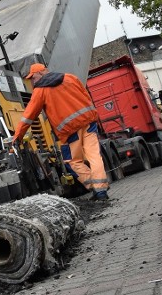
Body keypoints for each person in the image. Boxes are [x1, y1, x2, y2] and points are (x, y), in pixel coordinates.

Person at [13, 63, 109, 200]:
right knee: (94, 156)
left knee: (72, 162)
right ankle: (101, 190)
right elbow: (86, 96)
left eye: (33, 78)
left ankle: (95, 187)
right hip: (89, 123)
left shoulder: (40, 91)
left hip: (70, 132)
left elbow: (28, 117)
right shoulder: (70, 77)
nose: (32, 82)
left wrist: (17, 137)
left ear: (40, 74)